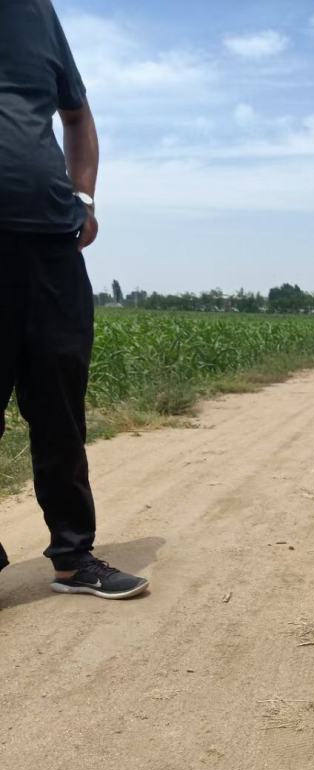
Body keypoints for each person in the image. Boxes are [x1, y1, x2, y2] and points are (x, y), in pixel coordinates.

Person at [0, 0, 148, 599]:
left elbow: (77, 116)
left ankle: (73, 557)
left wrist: (84, 198)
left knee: (61, 406)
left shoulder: (36, 12)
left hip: (50, 242)